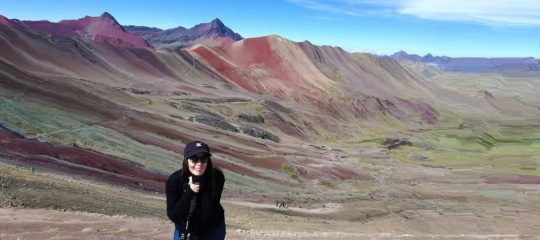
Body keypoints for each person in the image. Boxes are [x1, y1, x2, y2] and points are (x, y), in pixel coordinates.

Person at [166, 140, 226, 240]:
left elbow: (210, 207)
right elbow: (174, 216)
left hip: (213, 229)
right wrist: (189, 192)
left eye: (204, 159)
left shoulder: (216, 177)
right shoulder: (175, 180)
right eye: (194, 158)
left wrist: (201, 184)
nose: (199, 163)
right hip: (184, 229)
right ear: (186, 160)